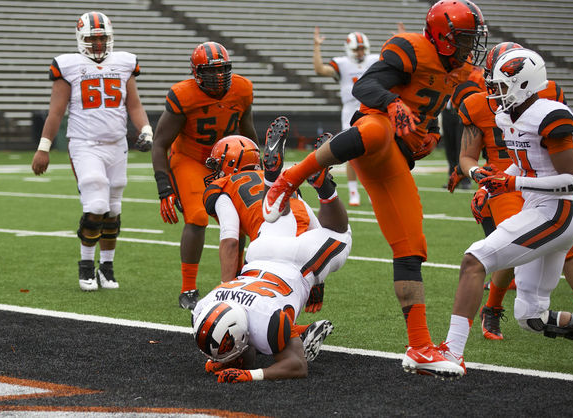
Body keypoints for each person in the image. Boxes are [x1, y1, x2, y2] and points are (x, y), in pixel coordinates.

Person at [263, 0, 488, 378]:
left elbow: (469, 116)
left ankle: (418, 347)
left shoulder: (463, 72)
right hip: (374, 126)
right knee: (376, 129)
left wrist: (436, 138)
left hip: (395, 160)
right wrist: (392, 101)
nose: (470, 47)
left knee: (411, 245)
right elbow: (365, 85)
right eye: (464, 39)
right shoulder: (412, 49)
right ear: (443, 37)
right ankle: (288, 180)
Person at [437, 48, 573, 374]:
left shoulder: (552, 115)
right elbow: (525, 168)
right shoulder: (508, 116)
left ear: (523, 83)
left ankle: (451, 354)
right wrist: (493, 180)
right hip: (540, 208)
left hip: (556, 212)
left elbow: (572, 183)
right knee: (531, 317)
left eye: (501, 86)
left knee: (474, 260)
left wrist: (512, 185)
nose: (494, 92)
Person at [192, 128, 352, 383]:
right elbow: (309, 222)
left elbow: (297, 366)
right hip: (268, 242)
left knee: (342, 237)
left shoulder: (265, 322)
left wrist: (248, 374)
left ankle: (323, 189)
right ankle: (278, 182)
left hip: (289, 259)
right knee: (281, 213)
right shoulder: (205, 306)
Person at [31, 11, 153, 291]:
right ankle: (86, 265)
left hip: (117, 145)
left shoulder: (124, 62)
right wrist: (44, 148)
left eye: (102, 39)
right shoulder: (69, 65)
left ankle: (106, 268)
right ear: (80, 39)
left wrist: (145, 129)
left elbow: (133, 105)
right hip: (84, 144)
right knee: (96, 205)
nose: (97, 45)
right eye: (92, 39)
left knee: (113, 209)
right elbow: (56, 112)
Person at [151, 41, 258, 310]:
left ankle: (236, 280)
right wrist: (164, 187)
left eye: (223, 70)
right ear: (196, 74)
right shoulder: (183, 95)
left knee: (241, 217)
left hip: (226, 161)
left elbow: (247, 130)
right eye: (211, 72)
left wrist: (257, 162)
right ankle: (188, 289)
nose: (219, 78)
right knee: (198, 217)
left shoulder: (242, 89)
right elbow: (160, 143)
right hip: (191, 158)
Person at [313, 27, 379, 206]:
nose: (360, 52)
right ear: (349, 49)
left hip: (372, 109)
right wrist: (317, 46)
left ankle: (373, 191)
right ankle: (353, 191)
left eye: (362, 49)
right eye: (357, 49)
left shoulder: (374, 60)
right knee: (353, 154)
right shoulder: (342, 64)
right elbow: (319, 69)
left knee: (374, 153)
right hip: (351, 111)